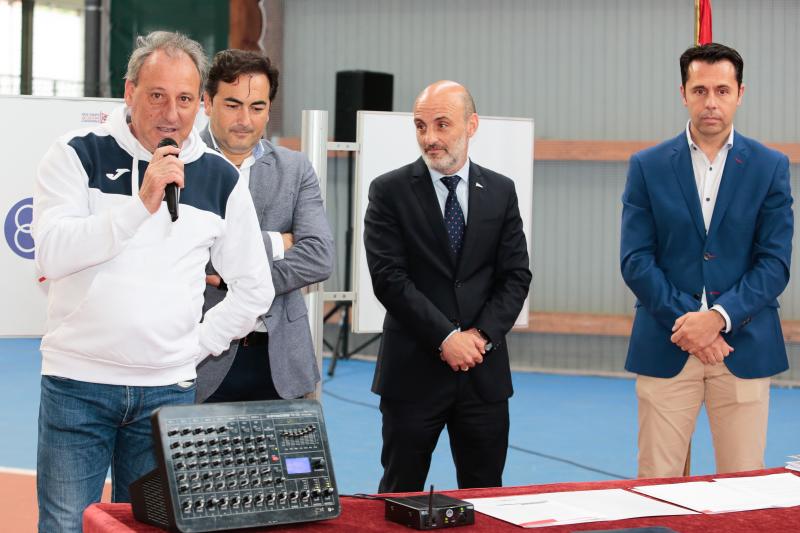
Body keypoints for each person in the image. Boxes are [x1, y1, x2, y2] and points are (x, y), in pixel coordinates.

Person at [32, 32, 274, 532]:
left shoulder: (219, 178)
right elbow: (53, 254)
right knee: (63, 526)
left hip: (167, 394)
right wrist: (139, 206)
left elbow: (255, 287)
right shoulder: (76, 154)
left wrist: (193, 347)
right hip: (77, 385)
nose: (172, 112)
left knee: (153, 528)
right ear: (129, 92)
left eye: (185, 99)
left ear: (199, 105)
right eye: (157, 95)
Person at [620, 43, 793, 478]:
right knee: (656, 485)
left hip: (743, 346)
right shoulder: (647, 165)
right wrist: (690, 323)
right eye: (699, 90)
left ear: (740, 93)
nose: (710, 102)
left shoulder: (770, 166)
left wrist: (717, 318)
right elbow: (636, 258)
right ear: (683, 93)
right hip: (666, 341)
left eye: (721, 90)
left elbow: (775, 262)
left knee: (742, 488)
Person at [364, 80, 532, 492]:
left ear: (471, 125)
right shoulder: (389, 191)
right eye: (421, 126)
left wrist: (479, 337)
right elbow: (389, 279)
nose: (430, 138)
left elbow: (515, 275)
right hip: (413, 374)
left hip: (483, 374)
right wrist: (445, 338)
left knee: (486, 495)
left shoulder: (501, 191)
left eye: (442, 125)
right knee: (399, 493)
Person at [196, 49, 334, 402]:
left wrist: (238, 276)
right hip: (198, 359)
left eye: (257, 107)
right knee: (189, 459)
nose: (245, 118)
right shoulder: (180, 164)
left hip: (282, 362)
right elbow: (181, 252)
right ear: (207, 102)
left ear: (269, 109)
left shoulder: (295, 169)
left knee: (296, 461)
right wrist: (277, 243)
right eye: (232, 104)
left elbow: (319, 257)